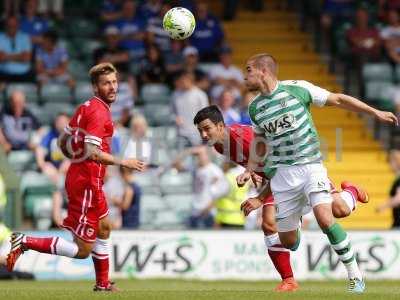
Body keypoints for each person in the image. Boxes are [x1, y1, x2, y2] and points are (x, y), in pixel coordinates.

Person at [241, 53, 397, 293]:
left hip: (310, 166)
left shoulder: (298, 89)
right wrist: (249, 169)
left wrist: (374, 112)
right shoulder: (255, 108)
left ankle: (355, 277)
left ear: (263, 70)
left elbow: (338, 99)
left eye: (248, 70)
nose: (244, 75)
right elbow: (259, 141)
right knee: (289, 242)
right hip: (282, 176)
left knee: (326, 218)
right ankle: (348, 194)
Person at [193, 105, 369, 292]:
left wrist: (259, 198)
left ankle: (351, 191)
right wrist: (255, 173)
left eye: (207, 128)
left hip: (299, 171)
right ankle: (289, 280)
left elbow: (280, 166)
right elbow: (262, 166)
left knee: (339, 210)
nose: (203, 135)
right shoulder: (221, 146)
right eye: (200, 131)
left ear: (220, 126)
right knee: (275, 229)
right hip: (280, 184)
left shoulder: (243, 138)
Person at [6, 62, 146, 292]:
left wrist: (73, 158)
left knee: (104, 228)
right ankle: (24, 242)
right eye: (106, 83)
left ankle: (102, 284)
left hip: (86, 179)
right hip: (87, 183)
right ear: (95, 87)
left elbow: (63, 140)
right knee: (82, 250)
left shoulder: (87, 106)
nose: (112, 87)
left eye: (114, 82)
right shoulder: (99, 112)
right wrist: (124, 162)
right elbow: (91, 152)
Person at [172, 71, 209, 147]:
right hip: (180, 133)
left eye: (185, 80)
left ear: (191, 80)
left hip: (196, 133)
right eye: (181, 80)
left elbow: (206, 115)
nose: (183, 82)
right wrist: (175, 118)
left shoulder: (200, 95)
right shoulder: (175, 94)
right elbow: (171, 112)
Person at [35, 112, 70, 186]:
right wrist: (41, 163)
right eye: (59, 122)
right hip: (52, 167)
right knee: (47, 168)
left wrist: (65, 165)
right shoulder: (50, 135)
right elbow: (40, 149)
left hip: (66, 167)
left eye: (63, 122)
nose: (61, 124)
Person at [0, 16, 33, 83]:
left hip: (24, 75)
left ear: (18, 25)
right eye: (9, 25)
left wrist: (7, 56)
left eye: (14, 25)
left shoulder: (25, 38)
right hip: (4, 74)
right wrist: (20, 56)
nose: (11, 27)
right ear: (5, 26)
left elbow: (26, 58)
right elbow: (1, 58)